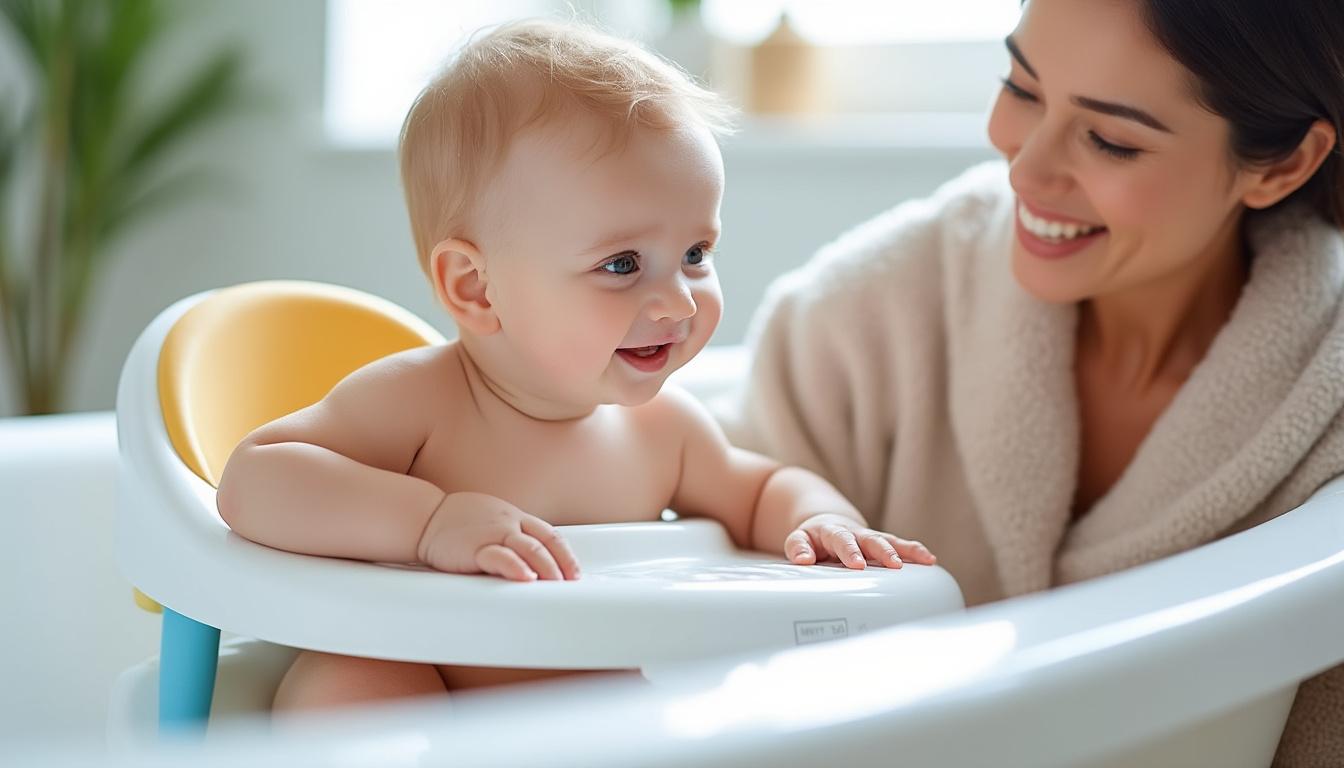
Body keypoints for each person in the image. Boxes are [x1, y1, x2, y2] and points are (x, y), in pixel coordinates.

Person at [214, 19, 936, 714]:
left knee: (657, 713)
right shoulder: (420, 402)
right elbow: (256, 479)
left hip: (571, 715)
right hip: (418, 686)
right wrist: (428, 522)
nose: (679, 301)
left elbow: (761, 490)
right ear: (476, 287)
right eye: (622, 265)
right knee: (349, 686)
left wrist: (818, 519)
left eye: (695, 253)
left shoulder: (663, 432)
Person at [721, 1, 1344, 764]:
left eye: (1111, 140)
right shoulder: (860, 319)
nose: (1024, 169)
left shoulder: (1329, 405)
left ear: (1283, 164)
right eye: (1021, 87)